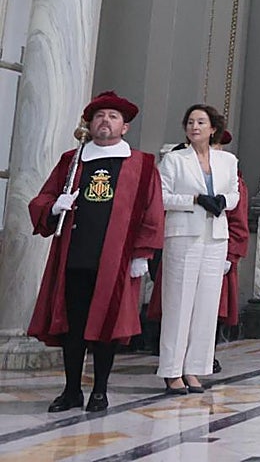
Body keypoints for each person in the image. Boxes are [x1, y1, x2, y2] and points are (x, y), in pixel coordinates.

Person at [28, 91, 164, 413]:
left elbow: (152, 212)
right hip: (73, 255)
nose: (106, 121)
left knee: (106, 326)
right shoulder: (71, 160)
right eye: (100, 116)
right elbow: (43, 198)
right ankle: (71, 390)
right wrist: (53, 207)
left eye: (113, 117)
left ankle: (100, 391)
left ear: (125, 127)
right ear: (90, 124)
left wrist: (142, 254)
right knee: (71, 327)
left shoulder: (142, 165)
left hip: (115, 259)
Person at [157, 104, 240, 394]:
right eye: (190, 122)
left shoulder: (227, 160)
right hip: (183, 235)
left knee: (206, 305)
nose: (195, 127)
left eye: (201, 122)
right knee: (179, 303)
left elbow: (235, 194)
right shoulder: (174, 160)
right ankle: (171, 370)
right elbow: (162, 197)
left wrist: (222, 201)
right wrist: (194, 199)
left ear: (212, 128)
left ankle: (194, 369)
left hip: (215, 236)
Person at [212, 129, 249, 373]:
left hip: (219, 247)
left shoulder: (231, 176)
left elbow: (238, 219)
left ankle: (207, 353)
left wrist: (231, 254)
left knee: (214, 307)